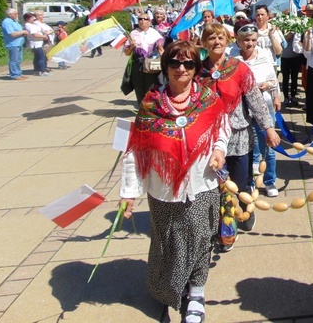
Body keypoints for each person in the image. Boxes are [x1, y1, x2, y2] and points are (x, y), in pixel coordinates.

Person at [120, 41, 229, 323]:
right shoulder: (150, 103)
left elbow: (222, 127)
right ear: (166, 66)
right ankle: (172, 289)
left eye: (188, 63)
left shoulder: (207, 98)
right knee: (169, 241)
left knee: (202, 239)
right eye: (175, 63)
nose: (181, 69)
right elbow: (134, 149)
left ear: (196, 68)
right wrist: (129, 193)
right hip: (164, 189)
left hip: (202, 183)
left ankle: (196, 292)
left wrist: (219, 149)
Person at [198, 22, 279, 246]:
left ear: (228, 41)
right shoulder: (197, 70)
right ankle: (226, 230)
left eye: (220, 38)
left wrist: (268, 128)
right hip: (209, 139)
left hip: (239, 136)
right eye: (211, 38)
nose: (216, 42)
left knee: (241, 182)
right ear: (204, 43)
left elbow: (255, 101)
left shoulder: (239, 69)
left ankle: (246, 208)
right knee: (216, 187)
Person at [231, 24, 282, 197]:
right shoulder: (233, 59)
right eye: (246, 40)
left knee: (269, 145)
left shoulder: (265, 54)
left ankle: (269, 181)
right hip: (242, 111)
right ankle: (250, 181)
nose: (250, 44)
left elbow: (274, 79)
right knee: (249, 148)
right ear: (238, 41)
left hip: (264, 107)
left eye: (253, 40)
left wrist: (270, 88)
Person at [124, 12, 165, 105]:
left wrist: (166, 61)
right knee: (139, 89)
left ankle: (150, 110)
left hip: (151, 66)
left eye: (145, 19)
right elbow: (127, 53)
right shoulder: (133, 33)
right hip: (137, 65)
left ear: (149, 21)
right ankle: (141, 109)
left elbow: (160, 49)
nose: (142, 21)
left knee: (151, 89)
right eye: (140, 19)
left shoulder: (154, 33)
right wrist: (131, 46)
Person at [1, 8, 29, 80]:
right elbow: (12, 34)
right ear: (9, 14)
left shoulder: (14, 21)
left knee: (19, 59)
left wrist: (24, 33)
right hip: (13, 43)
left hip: (19, 43)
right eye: (15, 14)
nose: (16, 15)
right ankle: (14, 75)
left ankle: (19, 73)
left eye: (16, 13)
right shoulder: (7, 22)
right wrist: (23, 32)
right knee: (14, 60)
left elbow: (18, 31)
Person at [24, 12, 50, 77]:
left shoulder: (33, 25)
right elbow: (34, 34)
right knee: (41, 57)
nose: (34, 19)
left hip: (39, 43)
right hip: (36, 44)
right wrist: (43, 37)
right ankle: (42, 71)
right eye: (32, 17)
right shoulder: (28, 25)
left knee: (37, 57)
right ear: (27, 19)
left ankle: (37, 70)